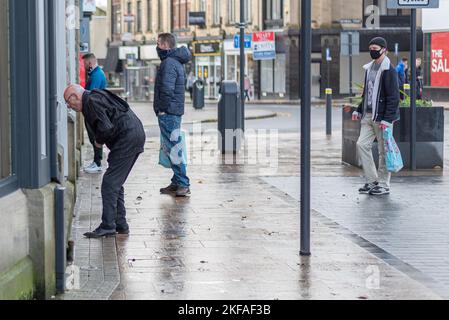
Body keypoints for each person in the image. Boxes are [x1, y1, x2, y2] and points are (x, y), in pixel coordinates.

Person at [64, 84, 146, 238]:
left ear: (75, 96)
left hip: (127, 138)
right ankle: (120, 224)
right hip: (133, 135)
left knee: (109, 183)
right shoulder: (94, 97)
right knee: (115, 183)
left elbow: (106, 128)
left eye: (68, 101)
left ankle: (108, 226)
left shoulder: (91, 102)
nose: (68, 106)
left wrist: (98, 141)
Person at [351, 37, 400, 196]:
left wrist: (387, 119)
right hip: (368, 116)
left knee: (383, 151)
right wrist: (359, 109)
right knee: (361, 144)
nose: (372, 50)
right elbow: (367, 93)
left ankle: (384, 184)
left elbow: (393, 97)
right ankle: (372, 181)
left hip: (382, 118)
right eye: (370, 47)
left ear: (384, 50)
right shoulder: (369, 68)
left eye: (375, 47)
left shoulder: (389, 70)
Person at [154, 33, 192, 197]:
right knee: (172, 147)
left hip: (169, 112)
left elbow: (167, 89)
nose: (156, 46)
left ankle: (183, 183)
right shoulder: (175, 61)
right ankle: (177, 182)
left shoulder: (168, 63)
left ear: (164, 45)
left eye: (158, 43)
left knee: (174, 148)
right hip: (173, 111)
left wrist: (162, 108)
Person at [83, 53, 108, 174]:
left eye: (84, 63)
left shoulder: (96, 75)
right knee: (94, 138)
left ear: (89, 63)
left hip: (94, 111)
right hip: (94, 110)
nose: (84, 66)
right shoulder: (96, 73)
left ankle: (97, 163)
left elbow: (90, 94)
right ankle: (96, 162)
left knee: (95, 137)